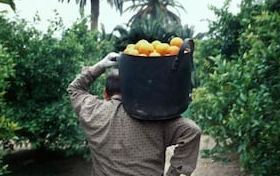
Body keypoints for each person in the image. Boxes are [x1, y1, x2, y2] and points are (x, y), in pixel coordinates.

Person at [67, 52, 201, 176]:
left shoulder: (93, 112)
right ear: (136, 90)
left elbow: (75, 89)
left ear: (105, 94)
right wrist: (173, 173)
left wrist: (101, 65)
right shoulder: (154, 118)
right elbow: (192, 131)